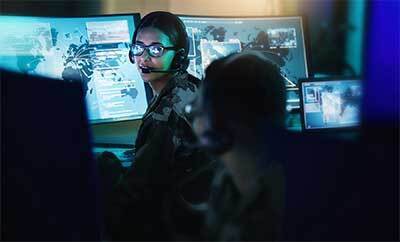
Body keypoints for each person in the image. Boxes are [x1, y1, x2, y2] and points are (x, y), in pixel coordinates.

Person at [102, 11, 214, 241]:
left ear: (179, 57)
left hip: (175, 227)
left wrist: (107, 172)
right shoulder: (190, 86)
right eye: (138, 48)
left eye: (155, 50)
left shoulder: (165, 114)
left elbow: (135, 190)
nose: (143, 58)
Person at [193, 51, 287, 241]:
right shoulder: (229, 175)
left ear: (217, 122)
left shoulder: (276, 214)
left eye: (196, 110)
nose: (195, 121)